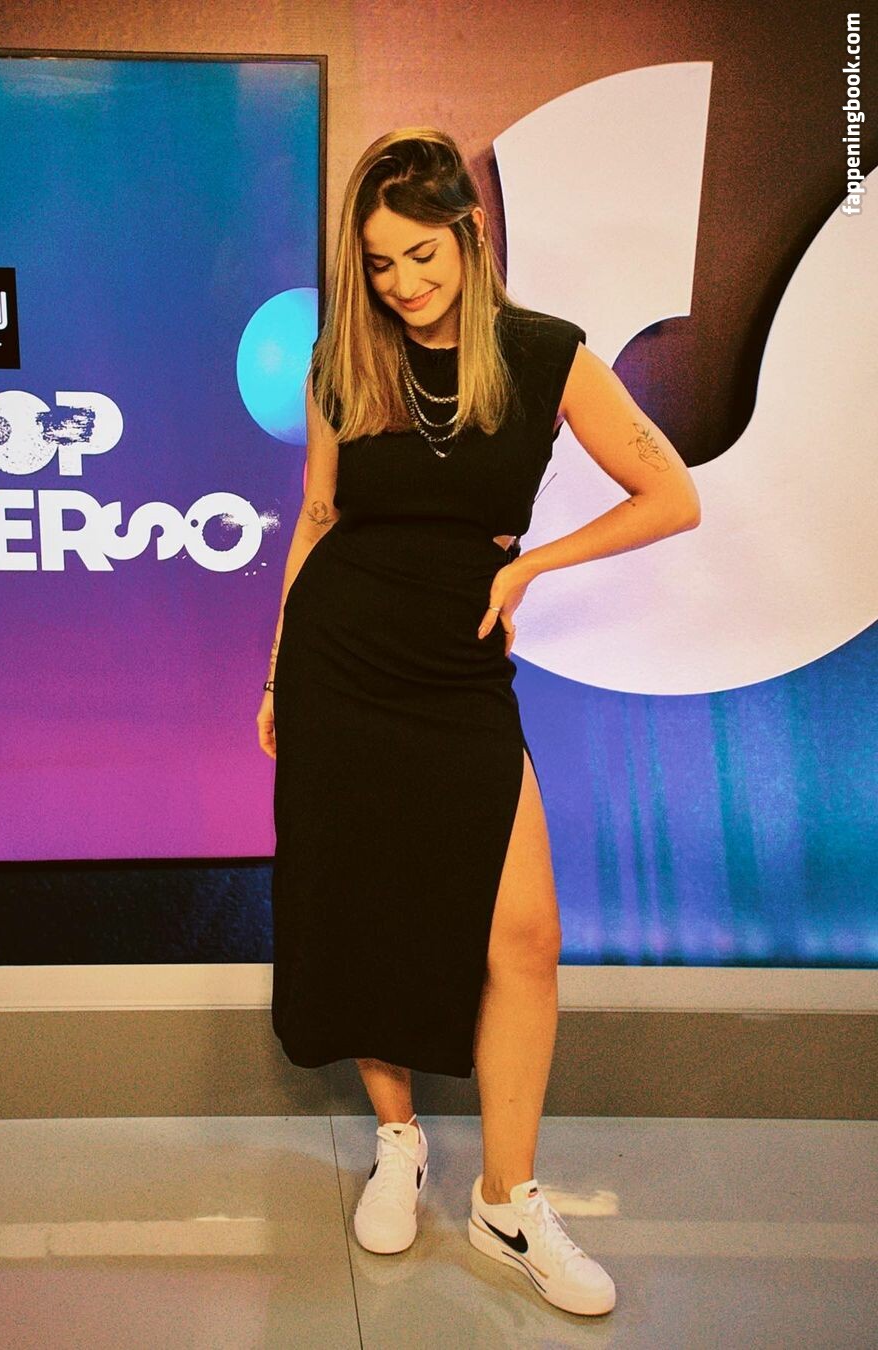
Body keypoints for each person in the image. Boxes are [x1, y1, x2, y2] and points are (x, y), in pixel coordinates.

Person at [256, 127, 700, 1318]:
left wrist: (531, 565)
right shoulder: (345, 360)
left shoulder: (547, 355)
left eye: (422, 254)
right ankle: (399, 1140)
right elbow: (316, 520)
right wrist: (276, 674)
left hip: (457, 670)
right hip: (340, 662)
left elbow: (671, 494)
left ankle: (508, 1201)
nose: (403, 283)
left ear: (469, 235)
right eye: (380, 263)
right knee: (362, 911)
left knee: (524, 936)